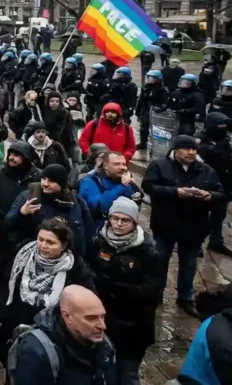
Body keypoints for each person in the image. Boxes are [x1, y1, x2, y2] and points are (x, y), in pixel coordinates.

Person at [143, 134, 226, 318]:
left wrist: (209, 195)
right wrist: (175, 192)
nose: (191, 152)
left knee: (188, 264)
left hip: (194, 227)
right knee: (160, 260)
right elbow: (149, 186)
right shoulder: (159, 165)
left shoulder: (206, 170)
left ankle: (185, 297)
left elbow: (220, 193)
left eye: (193, 149)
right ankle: (156, 292)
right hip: (165, 225)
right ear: (175, 150)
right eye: (187, 149)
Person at [0, 217, 96, 367]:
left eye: (50, 242)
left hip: (53, 336)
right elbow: (5, 279)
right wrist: (3, 311)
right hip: (16, 326)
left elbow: (87, 301)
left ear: (63, 245)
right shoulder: (23, 254)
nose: (43, 245)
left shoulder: (75, 268)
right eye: (40, 239)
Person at [87, 198, 163, 384]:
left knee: (127, 376)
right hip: (104, 323)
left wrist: (113, 286)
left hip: (133, 328)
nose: (119, 224)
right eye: (115, 218)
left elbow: (151, 291)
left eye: (125, 220)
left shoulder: (148, 252)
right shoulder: (99, 242)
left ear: (134, 222)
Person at [9, 285, 118, 385]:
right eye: (91, 318)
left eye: (102, 317)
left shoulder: (104, 345)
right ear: (67, 317)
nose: (102, 326)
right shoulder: (36, 351)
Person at [6, 164, 95, 257]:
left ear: (61, 184)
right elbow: (8, 222)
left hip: (67, 258)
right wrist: (22, 213)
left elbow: (87, 233)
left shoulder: (75, 202)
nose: (45, 183)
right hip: (33, 255)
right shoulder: (27, 197)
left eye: (51, 181)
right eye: (43, 179)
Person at [0, 141, 41, 258]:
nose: (11, 158)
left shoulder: (37, 176)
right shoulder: (0, 172)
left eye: (16, 155)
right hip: (2, 227)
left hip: (27, 228)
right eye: (10, 154)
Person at [198, 112, 232, 257]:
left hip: (225, 185)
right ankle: (197, 243)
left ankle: (216, 241)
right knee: (200, 216)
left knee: (219, 216)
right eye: (220, 125)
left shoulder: (227, 140)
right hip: (206, 185)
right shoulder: (201, 142)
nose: (223, 127)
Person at [79, 152, 138, 230]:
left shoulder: (123, 180)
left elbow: (133, 206)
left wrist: (136, 194)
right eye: (117, 164)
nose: (123, 167)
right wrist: (122, 186)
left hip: (122, 229)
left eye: (124, 164)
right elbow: (100, 207)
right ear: (105, 166)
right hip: (98, 230)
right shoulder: (89, 181)